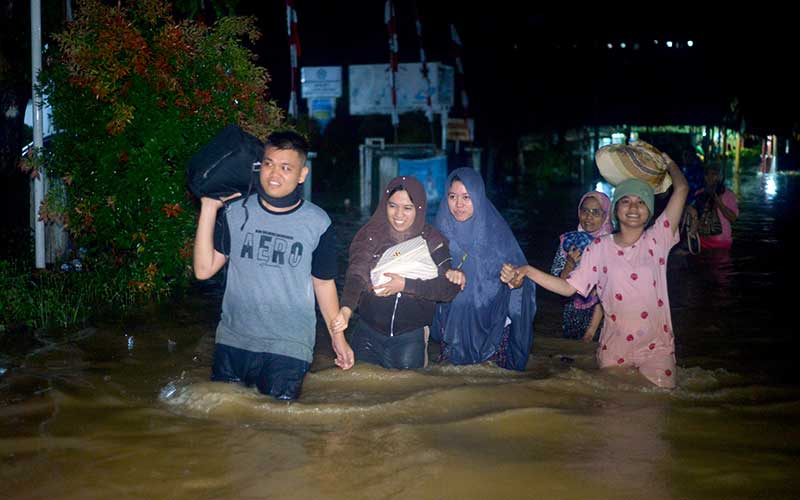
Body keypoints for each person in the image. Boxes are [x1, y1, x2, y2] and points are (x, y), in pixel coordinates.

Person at [502, 154, 689, 388]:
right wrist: (528, 270)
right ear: (616, 209)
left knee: (660, 406)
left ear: (649, 211)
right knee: (612, 411)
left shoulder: (657, 240)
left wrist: (668, 163)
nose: (633, 207)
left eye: (640, 202)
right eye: (625, 201)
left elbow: (681, 189)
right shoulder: (598, 248)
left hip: (656, 347)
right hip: (614, 347)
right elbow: (568, 287)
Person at [193, 130, 353, 401]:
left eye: (285, 167)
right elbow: (203, 270)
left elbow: (323, 283)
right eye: (268, 164)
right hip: (233, 342)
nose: (274, 174)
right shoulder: (236, 211)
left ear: (302, 174)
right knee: (225, 432)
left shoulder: (318, 222)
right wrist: (209, 208)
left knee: (280, 432)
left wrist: (338, 338)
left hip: (288, 348)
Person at [330, 176, 460, 370]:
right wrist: (346, 310)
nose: (399, 214)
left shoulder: (432, 240)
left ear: (419, 208)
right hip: (367, 334)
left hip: (410, 337)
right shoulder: (370, 235)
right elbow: (356, 275)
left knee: (407, 394)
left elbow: (449, 289)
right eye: (392, 206)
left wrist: (406, 285)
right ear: (384, 205)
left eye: (407, 208)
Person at [431, 168, 536, 370]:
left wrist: (516, 282)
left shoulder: (497, 236)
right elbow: (426, 279)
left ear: (478, 198)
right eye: (452, 196)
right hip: (452, 328)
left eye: (466, 197)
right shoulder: (438, 234)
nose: (458, 204)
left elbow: (523, 282)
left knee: (489, 386)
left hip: (491, 331)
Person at [550, 191, 614, 342]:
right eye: (584, 210)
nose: (588, 217)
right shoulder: (568, 242)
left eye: (596, 212)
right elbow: (557, 282)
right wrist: (570, 263)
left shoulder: (613, 245)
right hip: (573, 311)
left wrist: (591, 331)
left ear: (606, 215)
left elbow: (611, 290)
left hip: (604, 314)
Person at [685, 161, 738, 251]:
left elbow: (733, 218)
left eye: (714, 174)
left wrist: (719, 203)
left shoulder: (728, 195)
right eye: (707, 174)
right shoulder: (700, 193)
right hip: (701, 242)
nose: (710, 177)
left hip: (721, 243)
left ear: (720, 177)